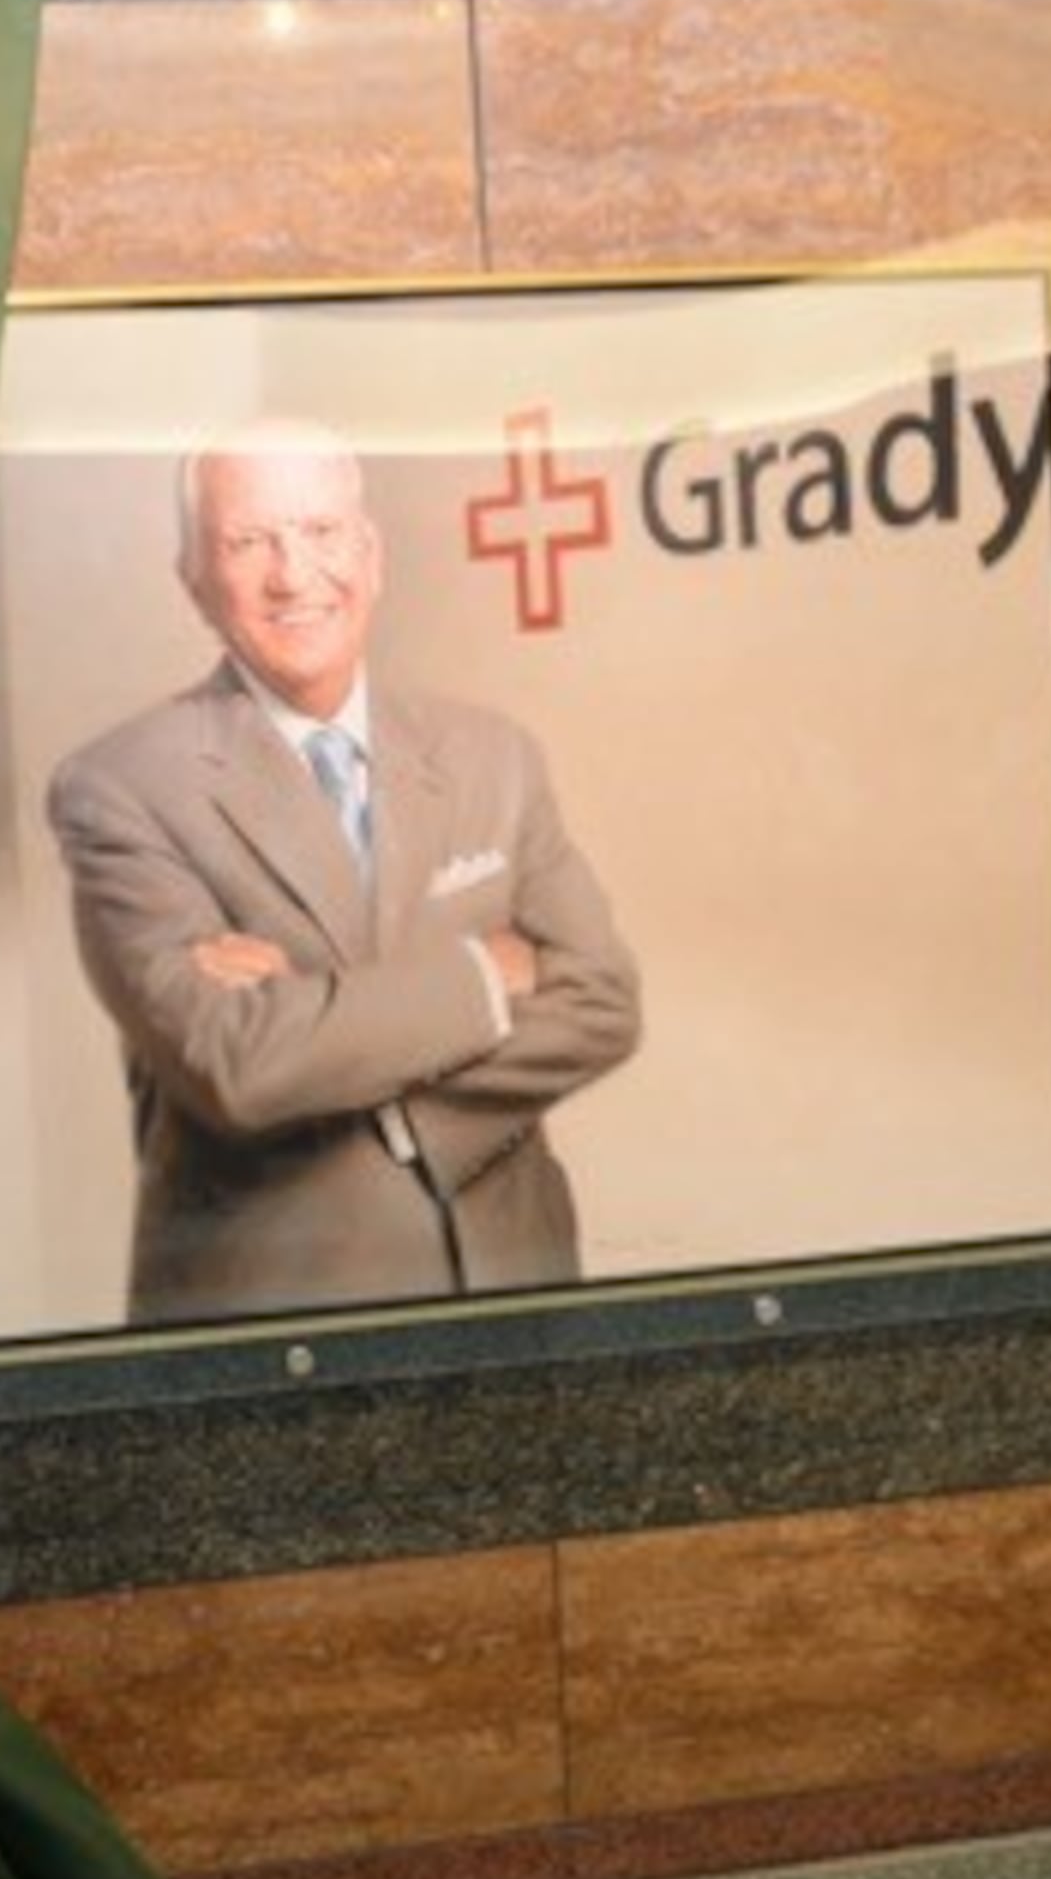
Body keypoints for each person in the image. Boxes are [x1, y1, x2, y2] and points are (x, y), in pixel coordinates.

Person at [45, 417, 643, 1327]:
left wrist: (335, 1039)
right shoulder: (119, 786)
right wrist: (485, 977)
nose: (294, 574)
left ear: (371, 556)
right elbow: (236, 1065)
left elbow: (602, 1002)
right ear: (194, 581)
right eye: (249, 542)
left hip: (518, 1292)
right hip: (275, 1324)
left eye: (322, 532)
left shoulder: (494, 756)